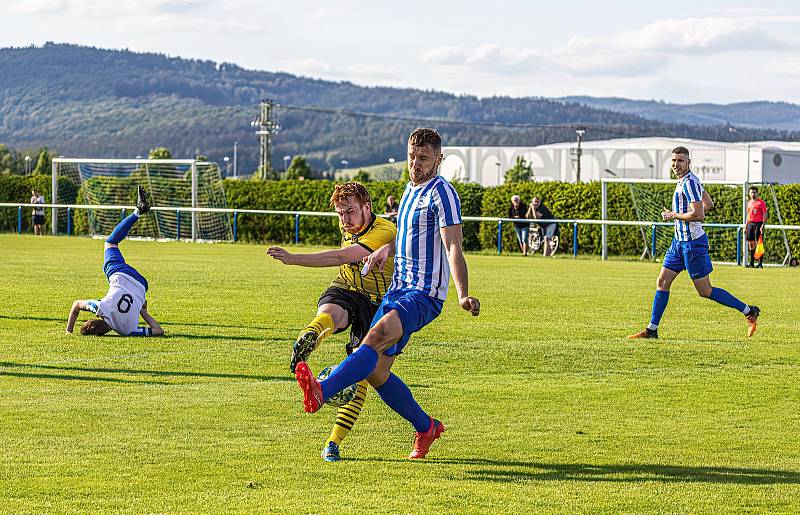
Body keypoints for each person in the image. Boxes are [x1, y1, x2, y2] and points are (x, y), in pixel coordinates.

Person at [293, 128, 480, 459]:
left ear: (439, 159)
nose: (415, 164)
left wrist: (463, 294)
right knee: (377, 372)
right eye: (411, 157)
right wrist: (386, 248)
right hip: (397, 290)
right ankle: (426, 427)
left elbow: (452, 245)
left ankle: (323, 390)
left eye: (423, 158)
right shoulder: (409, 190)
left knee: (374, 338)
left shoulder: (443, 193)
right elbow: (409, 234)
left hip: (423, 296)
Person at [267, 182, 396, 462]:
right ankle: (310, 335)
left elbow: (341, 256)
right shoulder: (349, 224)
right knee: (332, 311)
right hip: (347, 287)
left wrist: (293, 259)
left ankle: (332, 442)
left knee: (362, 375)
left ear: (367, 208)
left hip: (378, 303)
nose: (345, 219)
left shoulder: (384, 230)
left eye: (350, 212)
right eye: (340, 214)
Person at [628, 146, 760, 340]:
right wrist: (685, 214)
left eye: (680, 160)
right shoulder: (687, 181)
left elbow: (699, 214)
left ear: (689, 162)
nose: (676, 164)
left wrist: (674, 215)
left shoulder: (689, 183)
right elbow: (709, 204)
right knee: (662, 282)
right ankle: (651, 330)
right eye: (674, 160)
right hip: (679, 243)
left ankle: (749, 310)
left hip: (692, 244)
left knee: (705, 291)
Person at [66, 186, 164, 337]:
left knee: (138, 300)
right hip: (120, 273)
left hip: (141, 285)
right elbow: (76, 305)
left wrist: (143, 312)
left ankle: (141, 303)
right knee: (110, 242)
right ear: (97, 317)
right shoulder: (100, 307)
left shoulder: (126, 330)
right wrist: (68, 331)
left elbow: (158, 331)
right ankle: (137, 211)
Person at [745, 186, 768, 268]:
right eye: (751, 192)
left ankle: (760, 263)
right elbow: (748, 215)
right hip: (750, 224)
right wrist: (746, 225)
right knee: (751, 243)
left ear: (757, 193)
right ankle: (751, 263)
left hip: (758, 224)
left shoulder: (761, 203)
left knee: (759, 243)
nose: (753, 194)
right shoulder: (748, 203)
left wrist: (763, 225)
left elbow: (765, 214)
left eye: (754, 192)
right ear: (749, 193)